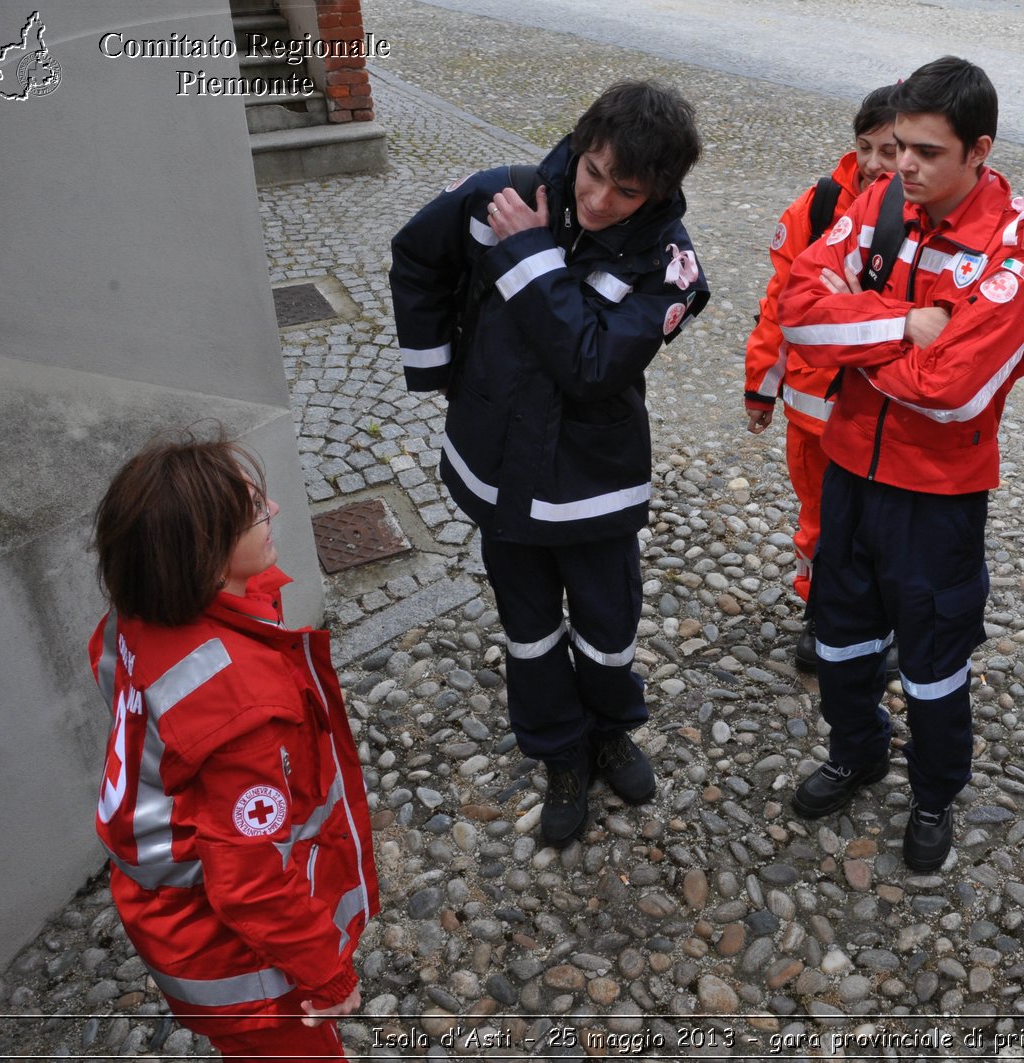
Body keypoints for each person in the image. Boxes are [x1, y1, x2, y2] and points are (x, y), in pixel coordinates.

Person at [389, 80, 709, 848]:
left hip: (592, 488)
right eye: (592, 171)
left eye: (625, 190)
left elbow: (593, 366)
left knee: (607, 627)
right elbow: (416, 256)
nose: (597, 199)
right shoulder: (502, 194)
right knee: (527, 628)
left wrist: (528, 256)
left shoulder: (672, 267)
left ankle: (609, 729)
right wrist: (442, 374)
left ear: (662, 191)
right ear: (579, 142)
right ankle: (559, 750)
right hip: (500, 472)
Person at [779, 56, 1024, 872]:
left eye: (927, 152)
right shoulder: (884, 201)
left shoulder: (1015, 249)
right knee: (840, 638)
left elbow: (952, 392)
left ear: (980, 150)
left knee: (933, 664)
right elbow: (797, 311)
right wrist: (905, 323)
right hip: (851, 472)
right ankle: (856, 750)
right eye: (898, 146)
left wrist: (853, 335)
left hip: (937, 497)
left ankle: (935, 791)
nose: (903, 166)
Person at [90, 432, 377, 1061]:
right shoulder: (240, 709)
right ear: (205, 555)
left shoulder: (134, 616)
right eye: (254, 512)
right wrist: (326, 973)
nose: (273, 512)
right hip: (226, 952)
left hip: (164, 907)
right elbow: (249, 884)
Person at [744, 84, 900, 671]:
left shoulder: (928, 219)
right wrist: (760, 387)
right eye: (865, 147)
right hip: (812, 412)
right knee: (820, 515)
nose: (873, 163)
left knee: (882, 523)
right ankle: (823, 612)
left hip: (883, 414)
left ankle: (881, 618)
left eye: (889, 150)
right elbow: (780, 307)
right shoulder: (817, 208)